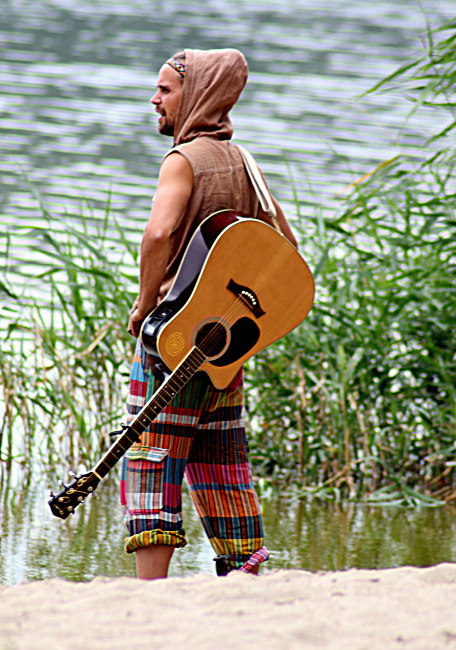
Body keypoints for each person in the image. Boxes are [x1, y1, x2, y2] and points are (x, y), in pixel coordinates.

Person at [120, 48, 298, 580]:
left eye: (166, 91)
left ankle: (150, 593)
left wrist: (145, 302)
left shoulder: (183, 160)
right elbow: (286, 248)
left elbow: (159, 233)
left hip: (172, 341)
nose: (155, 100)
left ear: (194, 96)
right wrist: (247, 322)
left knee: (153, 456)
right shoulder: (245, 164)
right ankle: (244, 579)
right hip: (224, 348)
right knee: (221, 463)